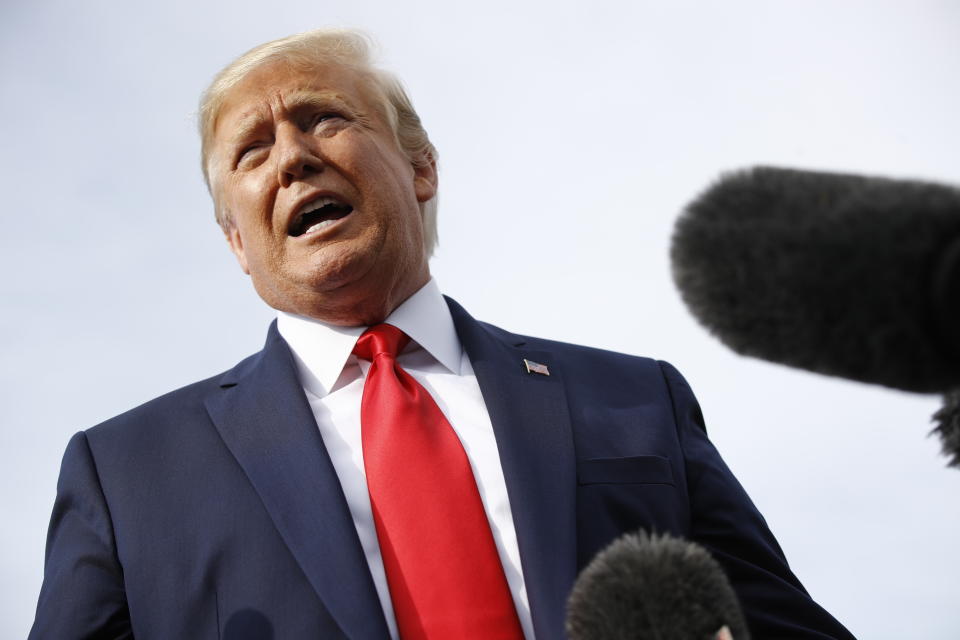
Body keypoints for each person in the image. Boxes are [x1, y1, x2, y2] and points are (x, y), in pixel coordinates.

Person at [30, 28, 854, 640]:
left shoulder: (634, 400)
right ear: (238, 242)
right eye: (252, 151)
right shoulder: (125, 475)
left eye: (321, 119)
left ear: (421, 166)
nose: (291, 158)